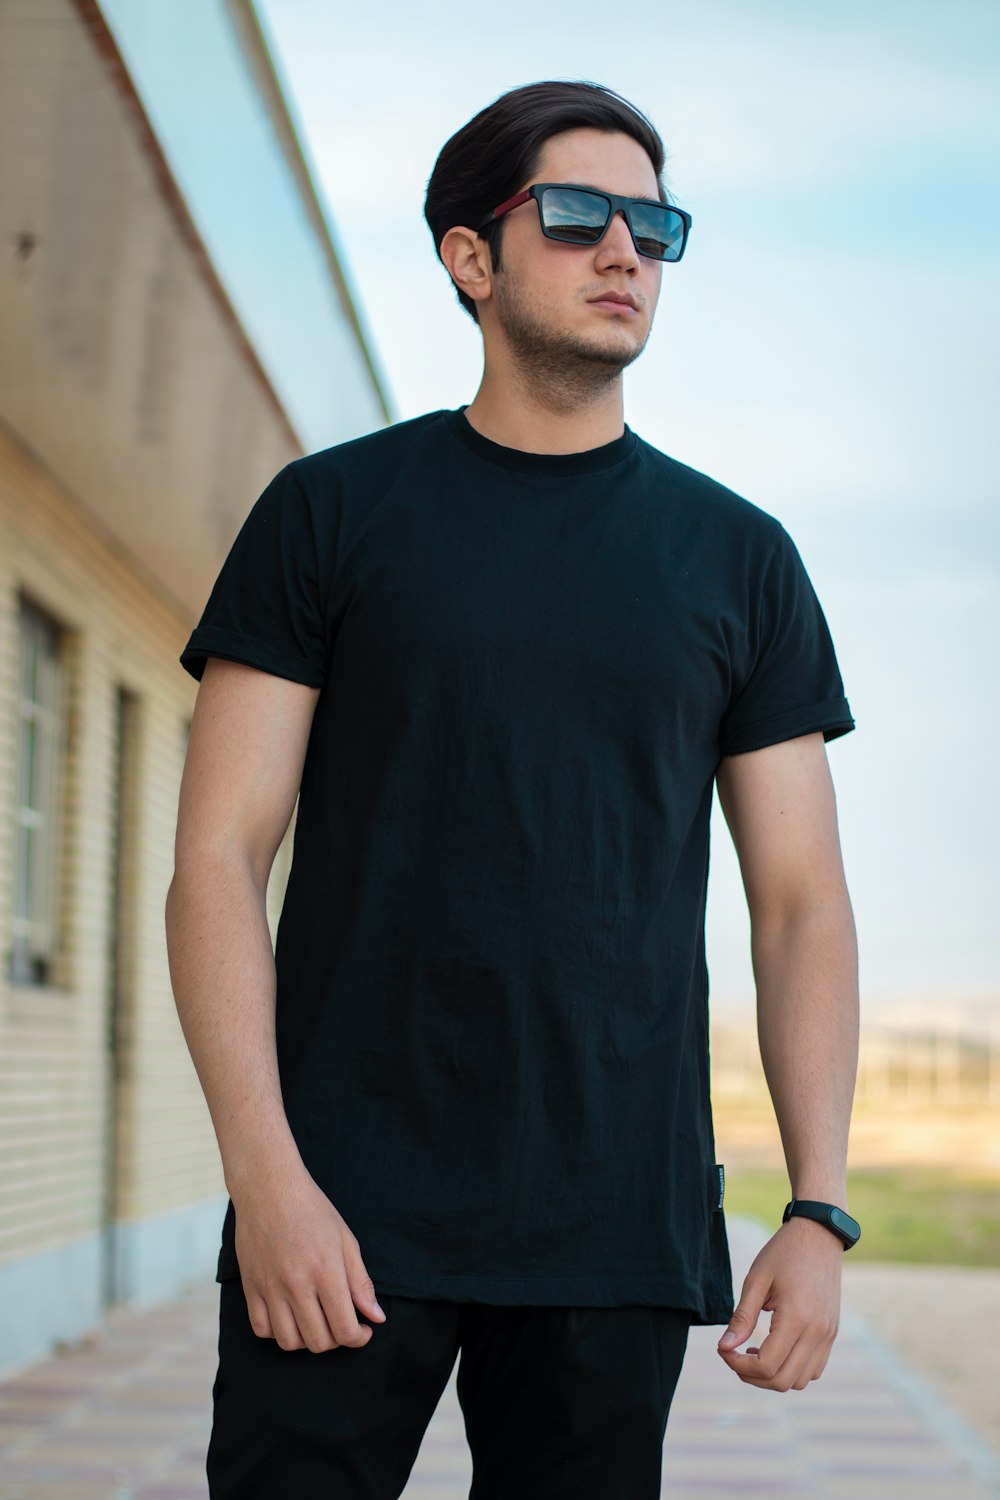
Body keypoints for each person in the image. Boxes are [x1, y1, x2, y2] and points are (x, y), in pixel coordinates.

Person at [166, 78, 860, 1500]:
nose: (626, 252)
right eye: (578, 215)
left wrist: (819, 1207)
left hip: (613, 1224)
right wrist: (265, 1183)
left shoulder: (740, 559)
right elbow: (217, 863)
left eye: (653, 224)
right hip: (339, 1217)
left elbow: (798, 905)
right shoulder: (333, 514)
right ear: (469, 258)